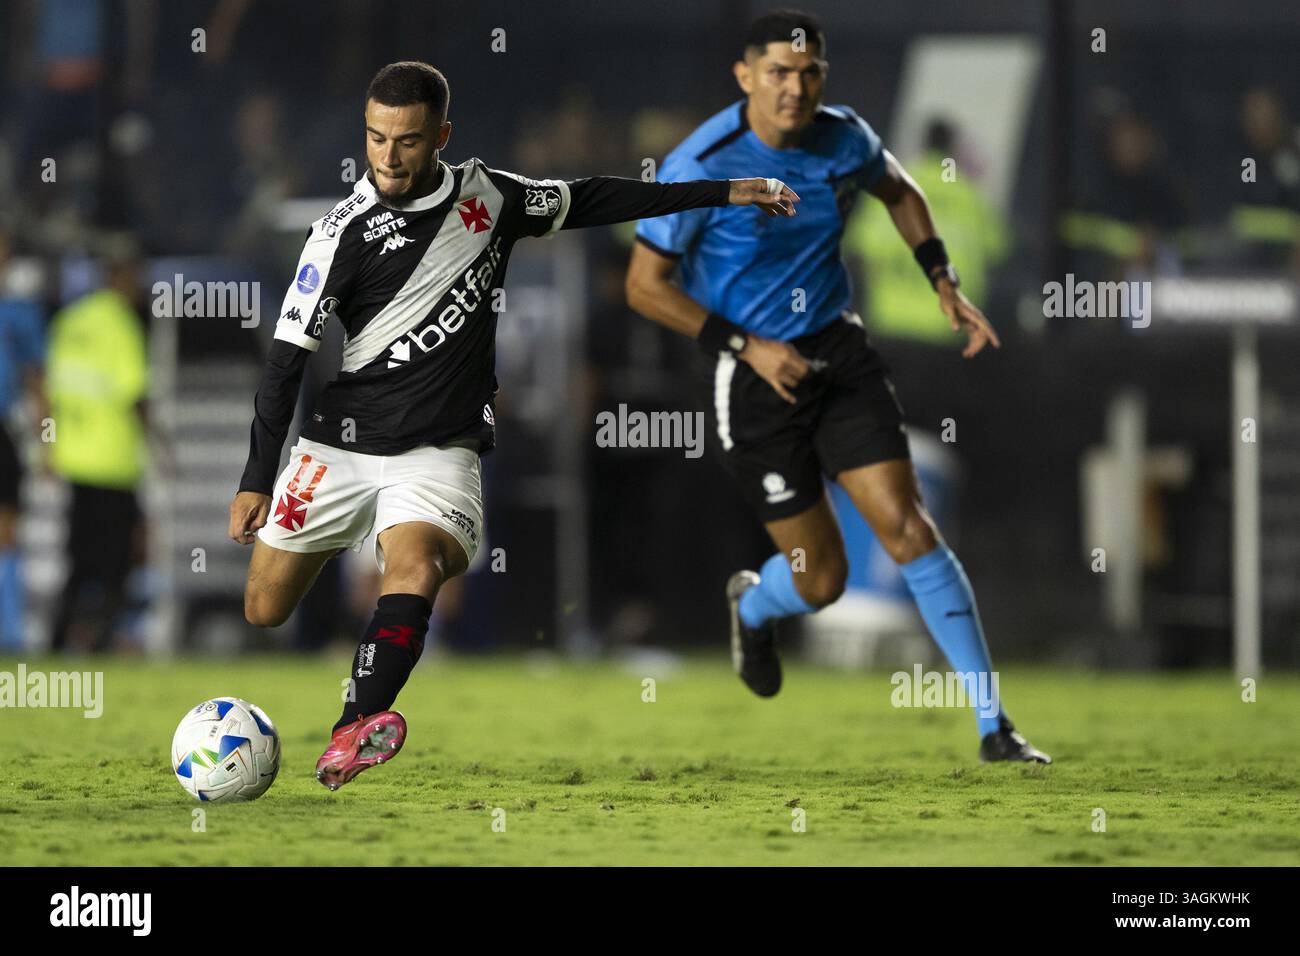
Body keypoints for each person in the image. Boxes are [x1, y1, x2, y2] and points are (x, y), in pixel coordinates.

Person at [227, 60, 798, 791]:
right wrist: (255, 480)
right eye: (375, 139)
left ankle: (354, 725)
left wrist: (726, 192)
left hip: (438, 450)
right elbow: (282, 368)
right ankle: (346, 679)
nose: (388, 157)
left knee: (417, 568)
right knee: (263, 608)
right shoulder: (337, 235)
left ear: (441, 135)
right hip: (336, 444)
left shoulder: (488, 197)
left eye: (406, 141)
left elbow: (594, 196)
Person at [625, 10, 1049, 763]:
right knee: (822, 581)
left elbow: (902, 190)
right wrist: (748, 346)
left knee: (910, 527)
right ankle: (754, 606)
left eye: (809, 71)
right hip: (751, 379)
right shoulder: (701, 164)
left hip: (837, 354)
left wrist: (943, 280)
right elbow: (644, 286)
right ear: (746, 76)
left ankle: (996, 725)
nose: (795, 87)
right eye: (779, 73)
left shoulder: (844, 134)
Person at [46, 237, 149, 653]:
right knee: (116, 563)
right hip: (113, 462)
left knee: (78, 563)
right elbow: (133, 394)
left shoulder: (69, 322)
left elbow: (52, 388)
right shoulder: (120, 324)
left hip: (74, 461)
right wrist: (159, 446)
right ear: (120, 277)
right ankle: (102, 642)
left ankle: (57, 642)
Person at [0, 229, 49, 650]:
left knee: (7, 532)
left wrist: (46, 443)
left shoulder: (18, 313)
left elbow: (36, 380)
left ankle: (9, 631)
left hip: (2, 431)